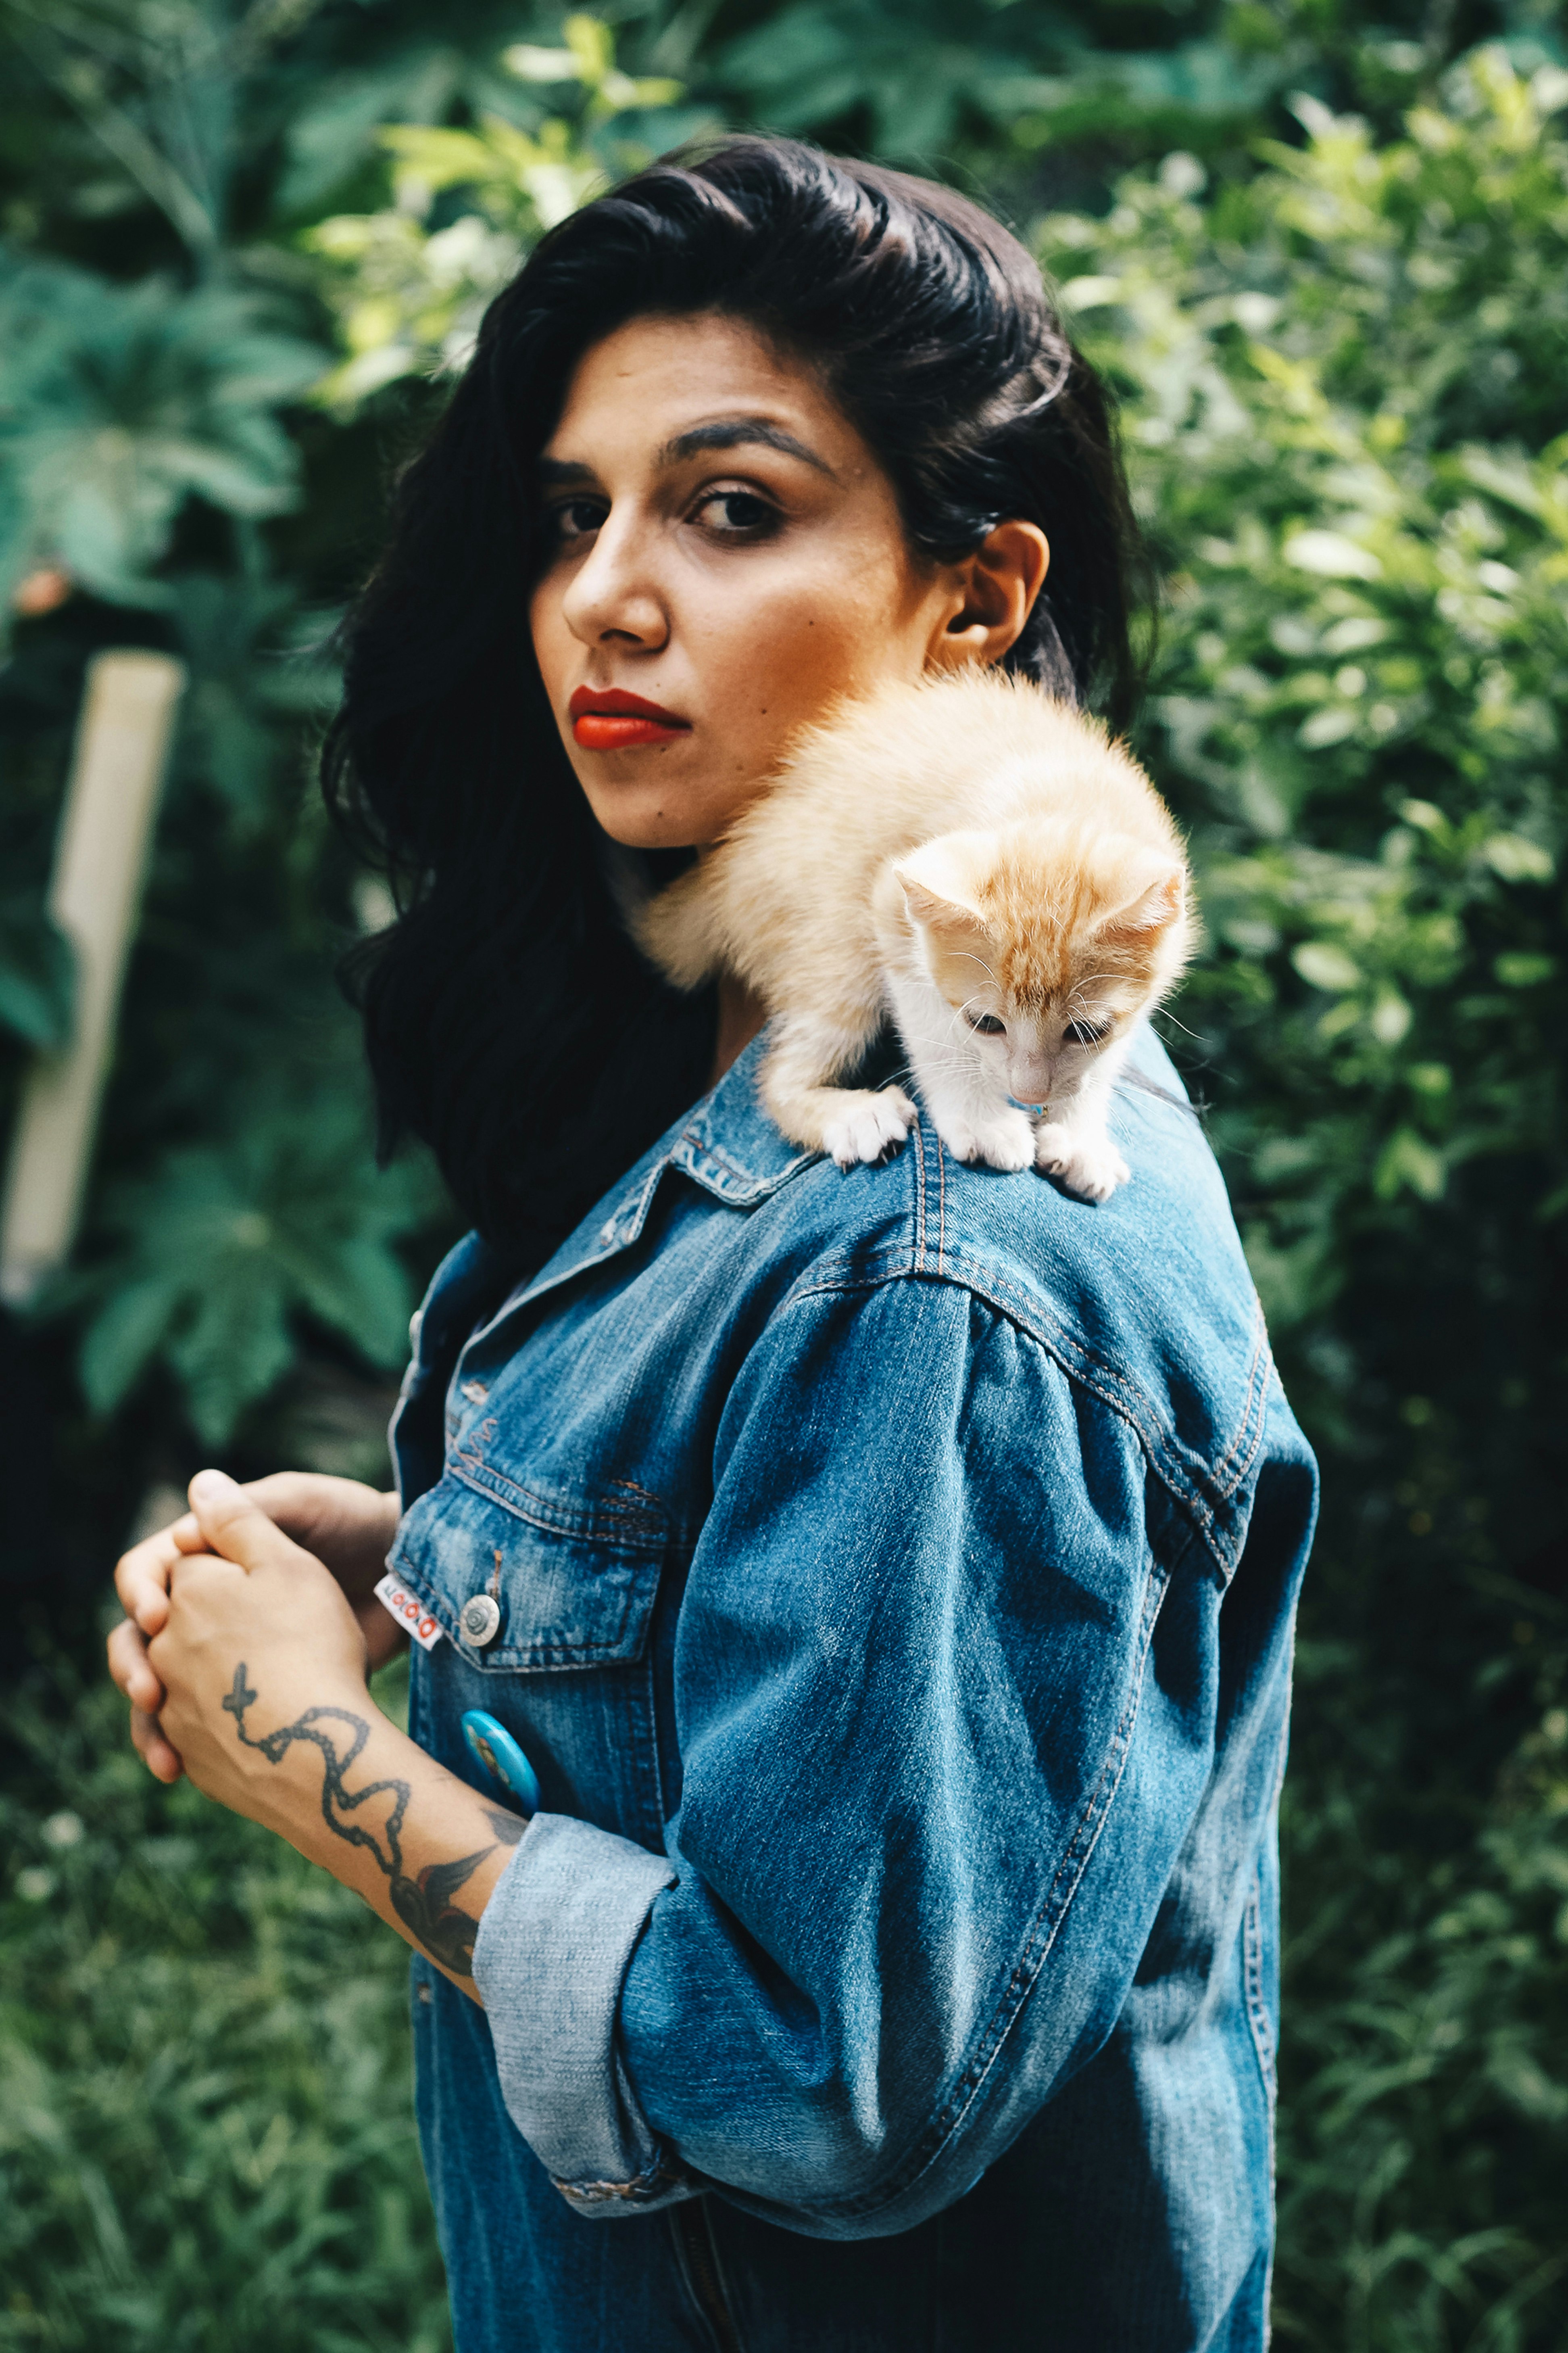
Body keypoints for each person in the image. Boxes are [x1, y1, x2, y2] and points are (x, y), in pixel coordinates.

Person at [108, 138, 1318, 2351]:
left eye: (731, 509)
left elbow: (813, 2071)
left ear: (973, 591)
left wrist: (306, 1746)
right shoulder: (796, 1074)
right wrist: (462, 1584)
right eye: (575, 514)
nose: (605, 596)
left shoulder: (937, 1251)